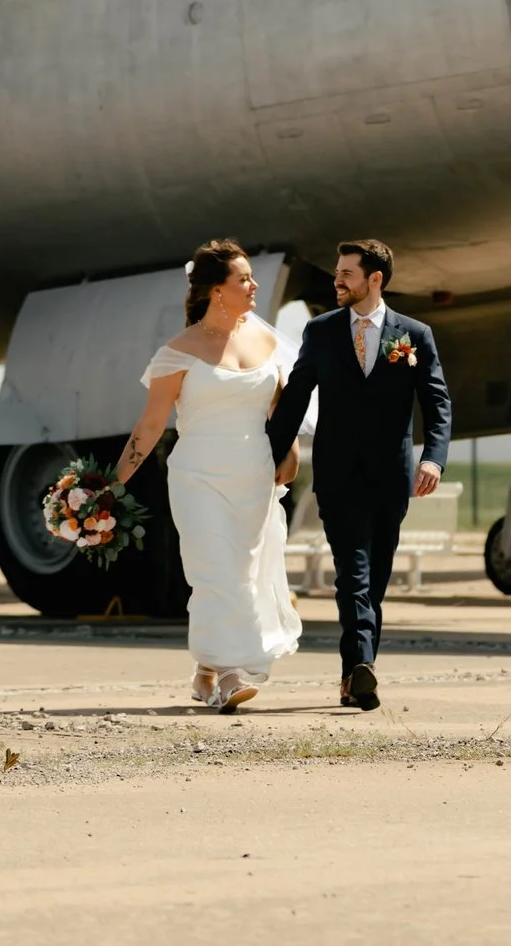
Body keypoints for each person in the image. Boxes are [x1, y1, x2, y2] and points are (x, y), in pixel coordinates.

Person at [113, 240, 301, 712]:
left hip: (253, 474)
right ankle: (231, 675)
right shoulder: (179, 351)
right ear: (217, 291)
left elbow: (283, 410)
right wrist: (112, 485)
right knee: (216, 570)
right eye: (243, 279)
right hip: (198, 475)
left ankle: (205, 669)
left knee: (239, 572)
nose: (254, 285)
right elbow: (151, 424)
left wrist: (291, 453)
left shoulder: (269, 342)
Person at [265, 238, 451, 712]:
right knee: (354, 574)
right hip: (338, 473)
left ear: (375, 279)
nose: (337, 279)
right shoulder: (320, 331)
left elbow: (437, 402)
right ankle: (361, 666)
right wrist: (267, 452)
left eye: (347, 272)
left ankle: (353, 676)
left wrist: (433, 458)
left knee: (378, 576)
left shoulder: (414, 334)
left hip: (391, 477)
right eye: (337, 271)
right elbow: (296, 396)